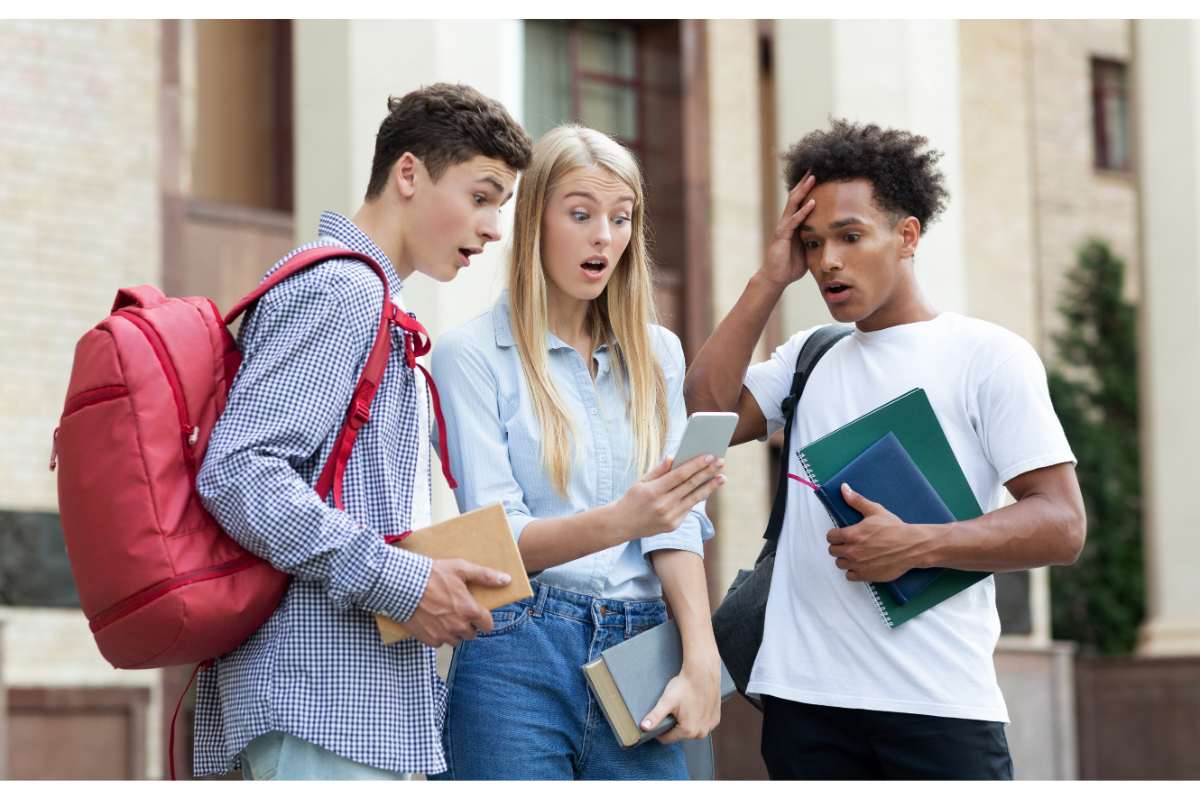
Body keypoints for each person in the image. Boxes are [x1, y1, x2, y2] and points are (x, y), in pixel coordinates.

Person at [684, 120, 1086, 780]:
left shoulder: (989, 356)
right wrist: (768, 278)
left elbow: (1062, 526)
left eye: (849, 236)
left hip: (936, 704)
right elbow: (704, 416)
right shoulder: (809, 357)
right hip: (802, 705)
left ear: (907, 236)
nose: (827, 262)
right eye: (813, 244)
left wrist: (920, 543)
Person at [192, 84, 533, 780]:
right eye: (481, 196)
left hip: (344, 705)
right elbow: (241, 470)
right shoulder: (341, 291)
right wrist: (404, 584)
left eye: (500, 206)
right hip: (316, 703)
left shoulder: (371, 299)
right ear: (408, 174)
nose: (495, 228)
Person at [428, 124, 726, 780]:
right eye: (582, 214)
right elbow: (497, 541)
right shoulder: (469, 356)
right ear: (536, 220)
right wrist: (626, 519)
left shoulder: (659, 354)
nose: (604, 237)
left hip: (643, 650)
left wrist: (701, 655)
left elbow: (674, 523)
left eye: (621, 219)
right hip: (516, 651)